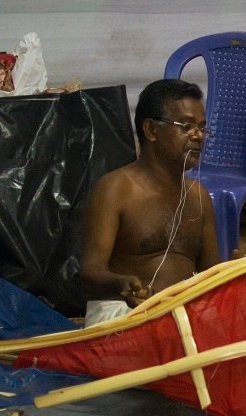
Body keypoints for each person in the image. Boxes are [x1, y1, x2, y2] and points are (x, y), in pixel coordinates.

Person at [79, 78, 220, 324]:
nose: (198, 136)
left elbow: (211, 276)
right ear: (151, 130)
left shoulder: (199, 197)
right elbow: (90, 272)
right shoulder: (116, 189)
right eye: (185, 126)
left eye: (202, 127)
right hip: (124, 313)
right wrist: (120, 284)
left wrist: (237, 272)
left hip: (183, 316)